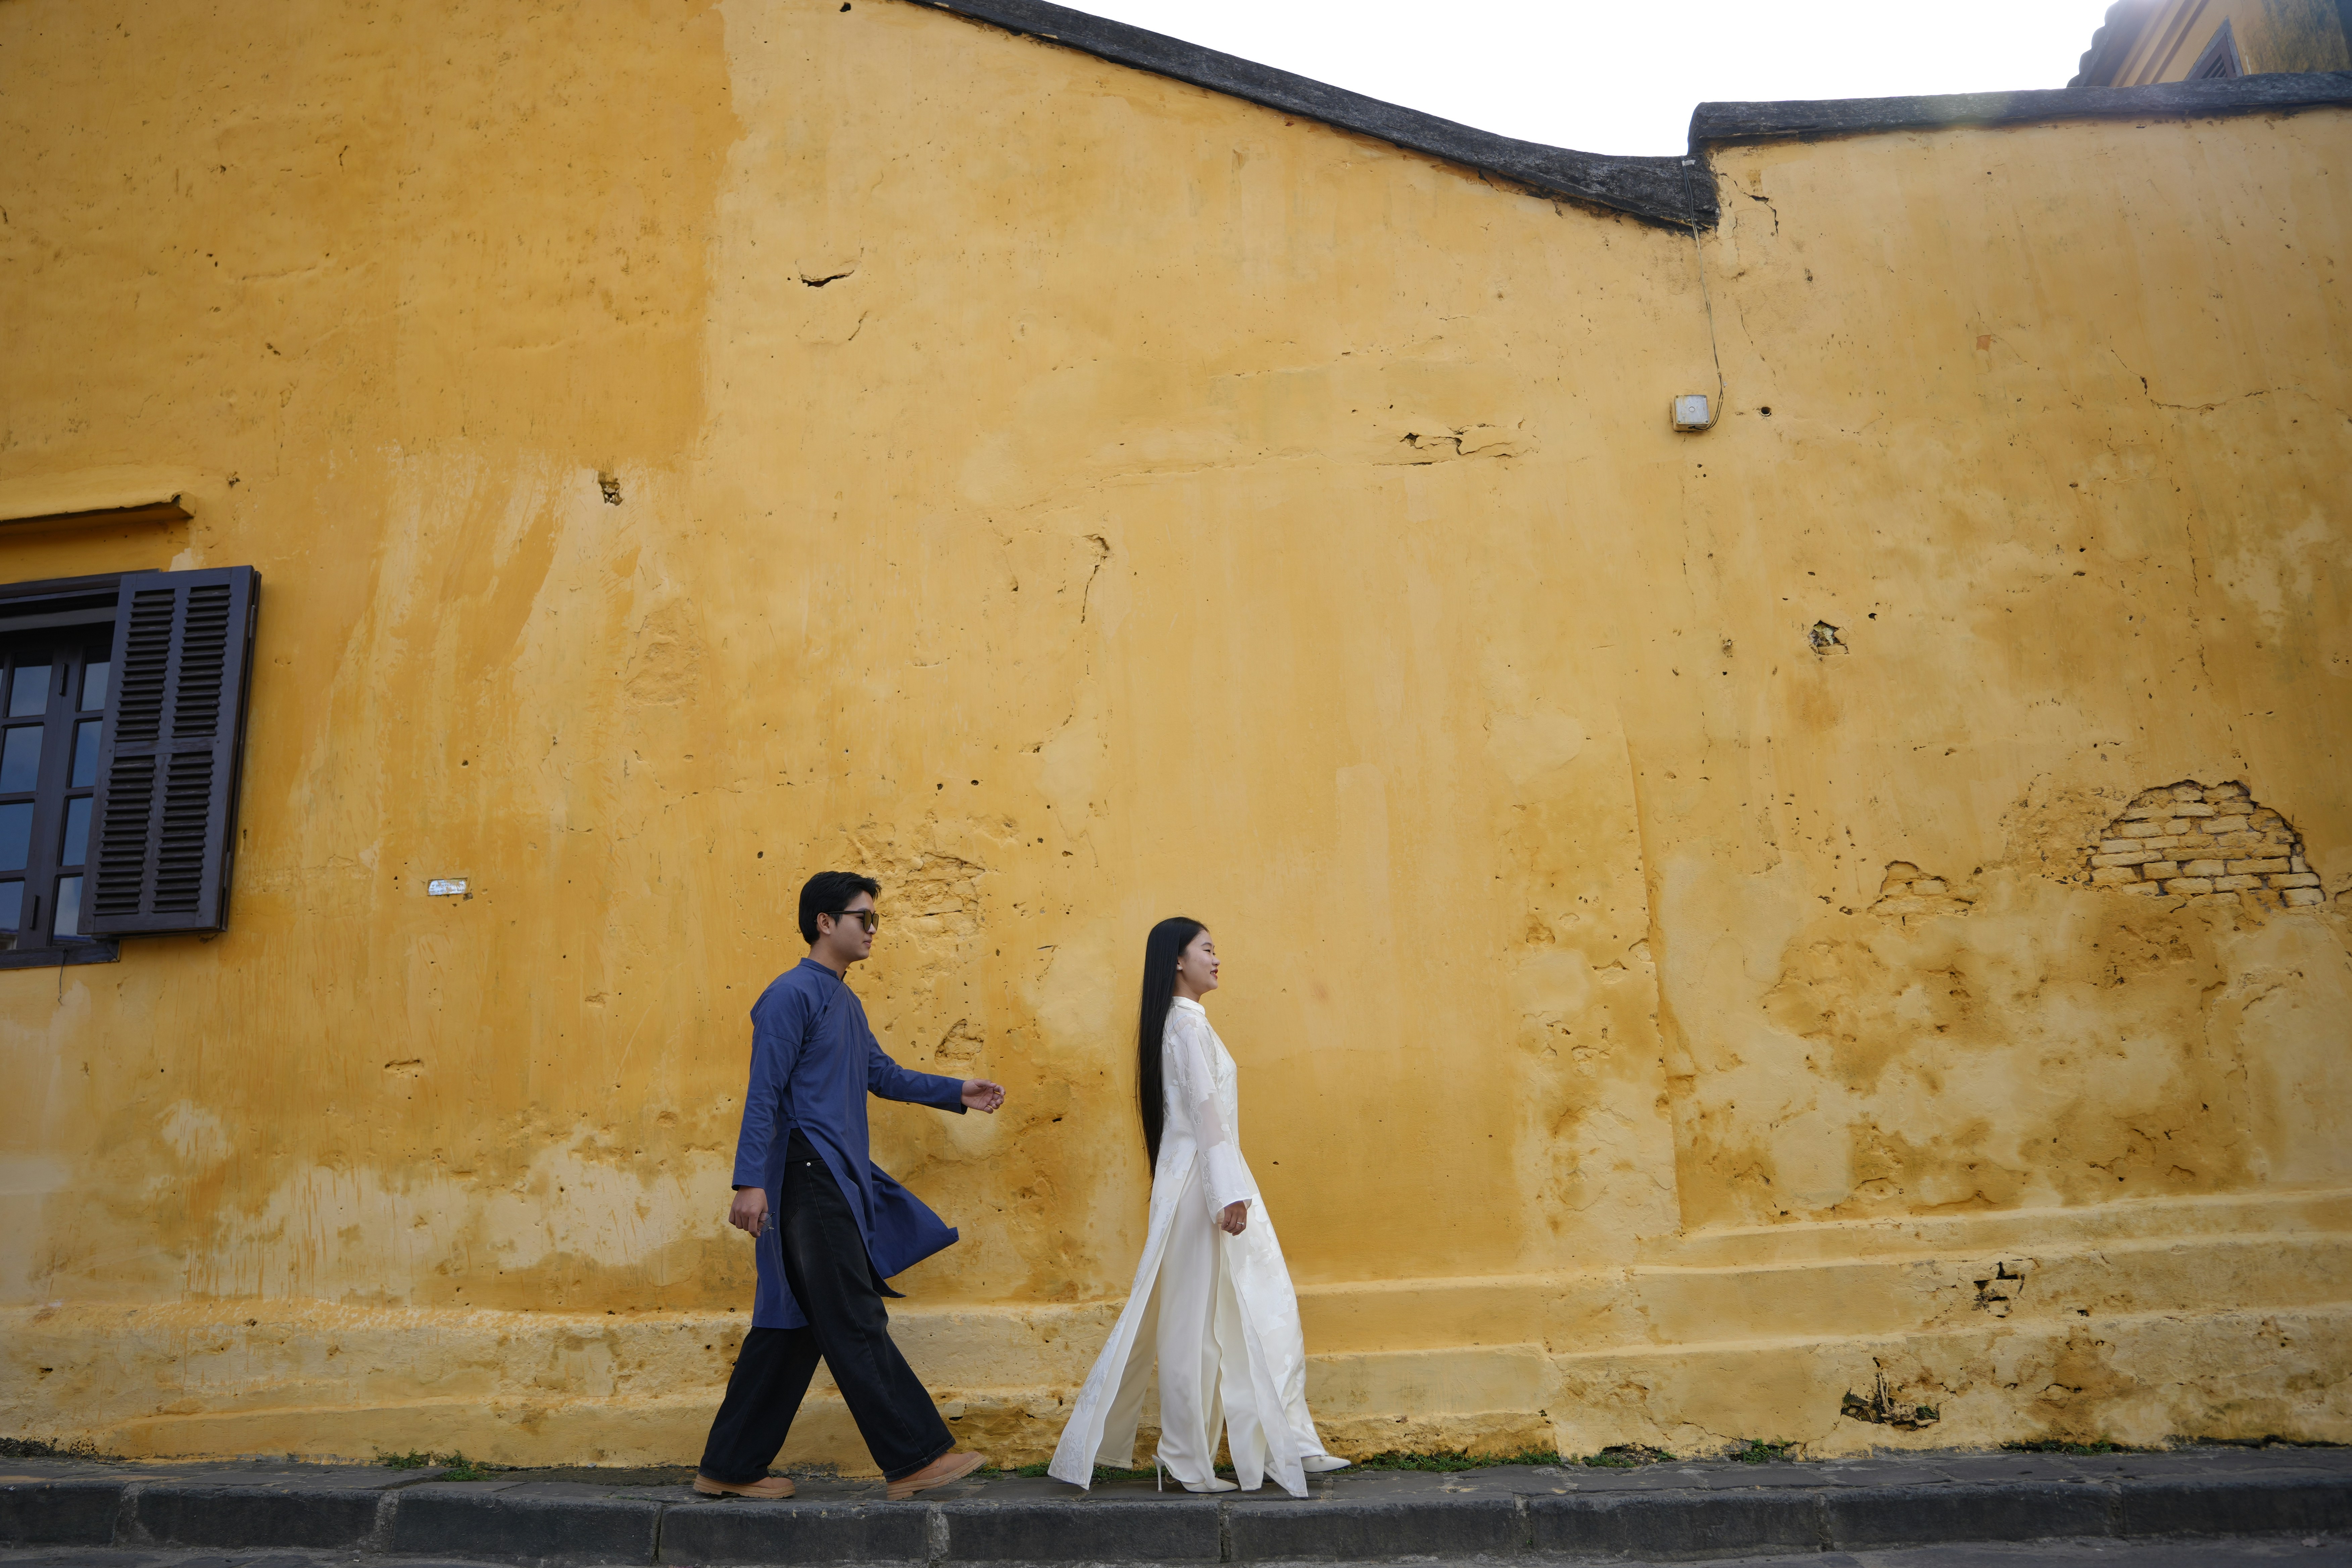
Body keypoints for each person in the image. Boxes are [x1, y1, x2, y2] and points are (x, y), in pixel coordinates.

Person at [694, 871, 1006, 1501]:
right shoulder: (790, 995)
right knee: (854, 1316)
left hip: (830, 1179)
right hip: (805, 1176)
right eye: (864, 919)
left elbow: (881, 1075)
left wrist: (955, 1091)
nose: (873, 931)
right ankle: (914, 1456)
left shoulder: (844, 1001)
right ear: (825, 923)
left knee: (795, 1327)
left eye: (875, 921)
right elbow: (765, 1095)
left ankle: (729, 1465)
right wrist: (749, 1181)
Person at [1047, 917, 1349, 1498]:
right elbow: (1207, 1115)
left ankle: (1288, 1442)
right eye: (1207, 950)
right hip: (1204, 1188)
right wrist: (1225, 1193)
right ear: (1177, 962)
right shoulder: (1184, 1028)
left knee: (1259, 1309)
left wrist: (1228, 1185)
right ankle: (1187, 1458)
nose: (1217, 960)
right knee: (1196, 1327)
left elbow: (1208, 1121)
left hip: (1212, 1181)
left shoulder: (1189, 1026)